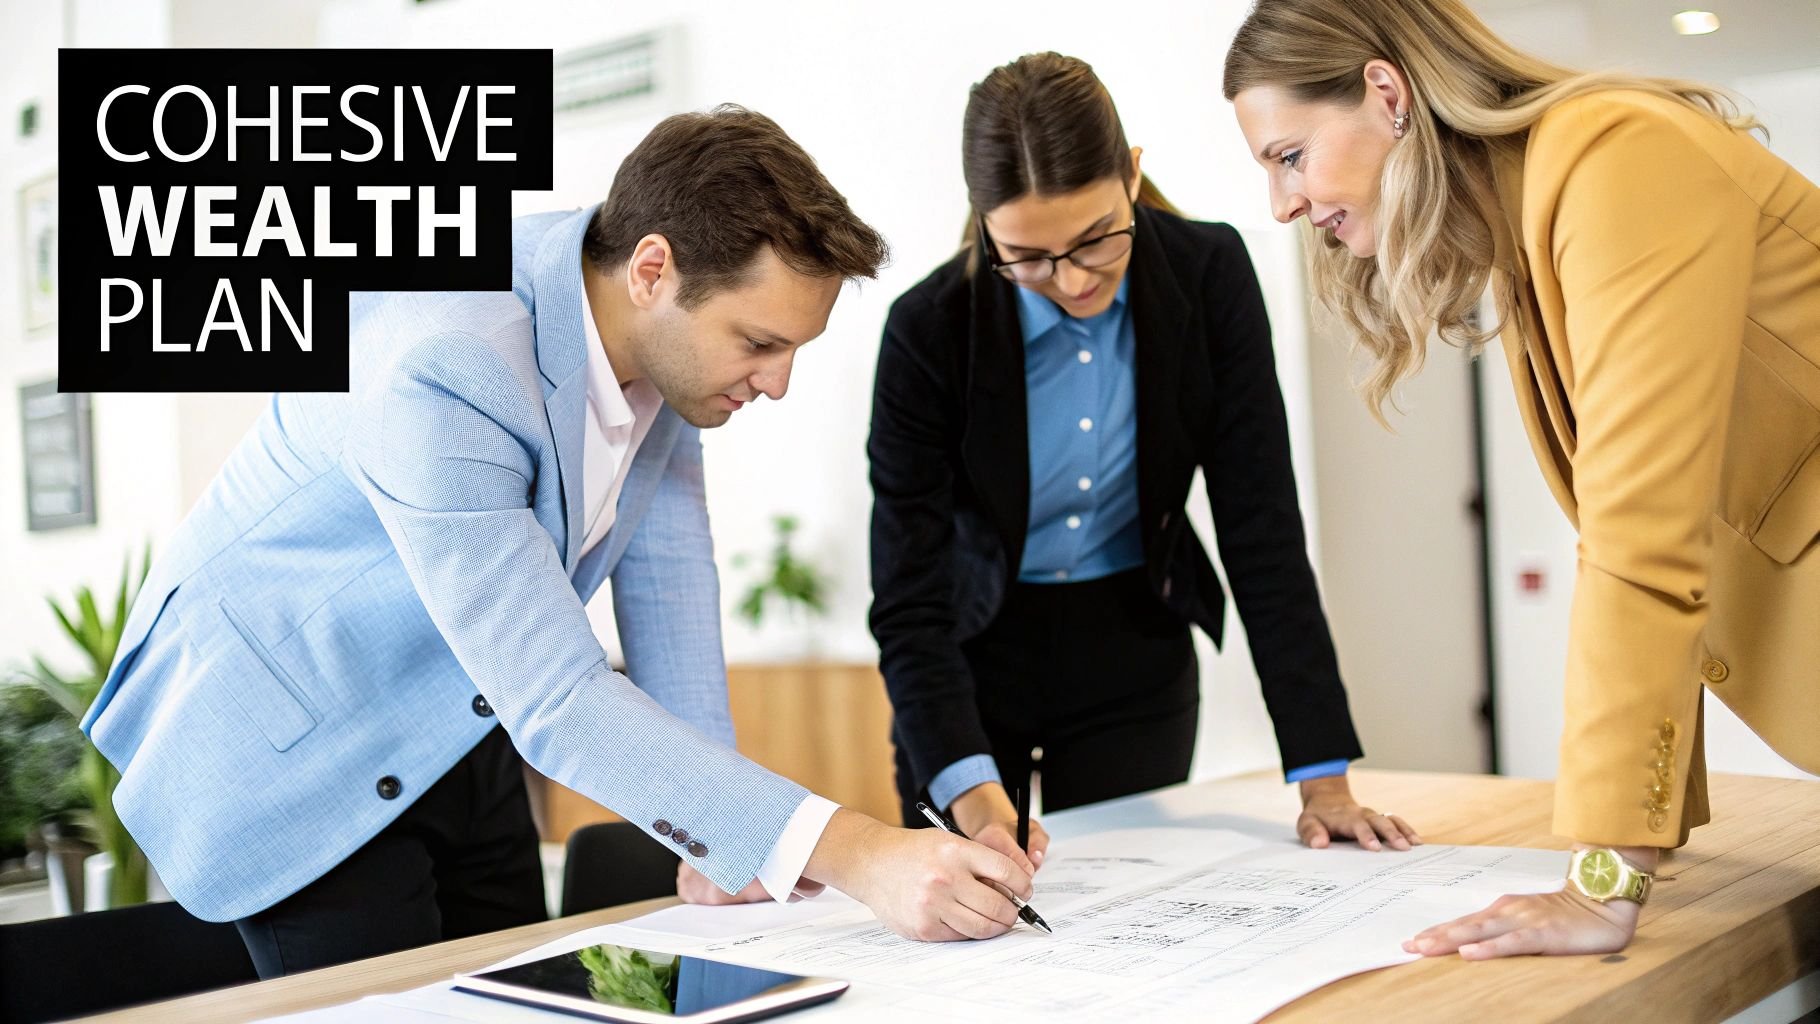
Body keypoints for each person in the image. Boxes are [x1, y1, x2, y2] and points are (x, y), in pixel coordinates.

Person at [83, 105, 1035, 977]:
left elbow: (670, 590)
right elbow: (559, 696)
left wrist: (714, 843)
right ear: (653, 270)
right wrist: (860, 852)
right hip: (292, 738)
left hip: (462, 721)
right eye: (758, 343)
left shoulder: (659, 350)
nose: (777, 382)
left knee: (521, 997)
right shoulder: (446, 359)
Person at [1224, 0, 1820, 959]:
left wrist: (1604, 879)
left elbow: (1642, 531)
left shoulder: (1615, 156)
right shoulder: (1529, 225)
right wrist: (1653, 834)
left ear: (1386, 94)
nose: (1283, 204)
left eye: (1288, 155)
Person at [868, 52, 1418, 872]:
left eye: (1095, 240)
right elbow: (910, 599)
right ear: (984, 221)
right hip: (969, 663)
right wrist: (971, 793)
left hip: (1135, 649)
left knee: (1123, 903)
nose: (1069, 280)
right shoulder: (928, 329)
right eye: (1027, 256)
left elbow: (1260, 532)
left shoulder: (1208, 275)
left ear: (1130, 174)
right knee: (975, 907)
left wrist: (1323, 778)